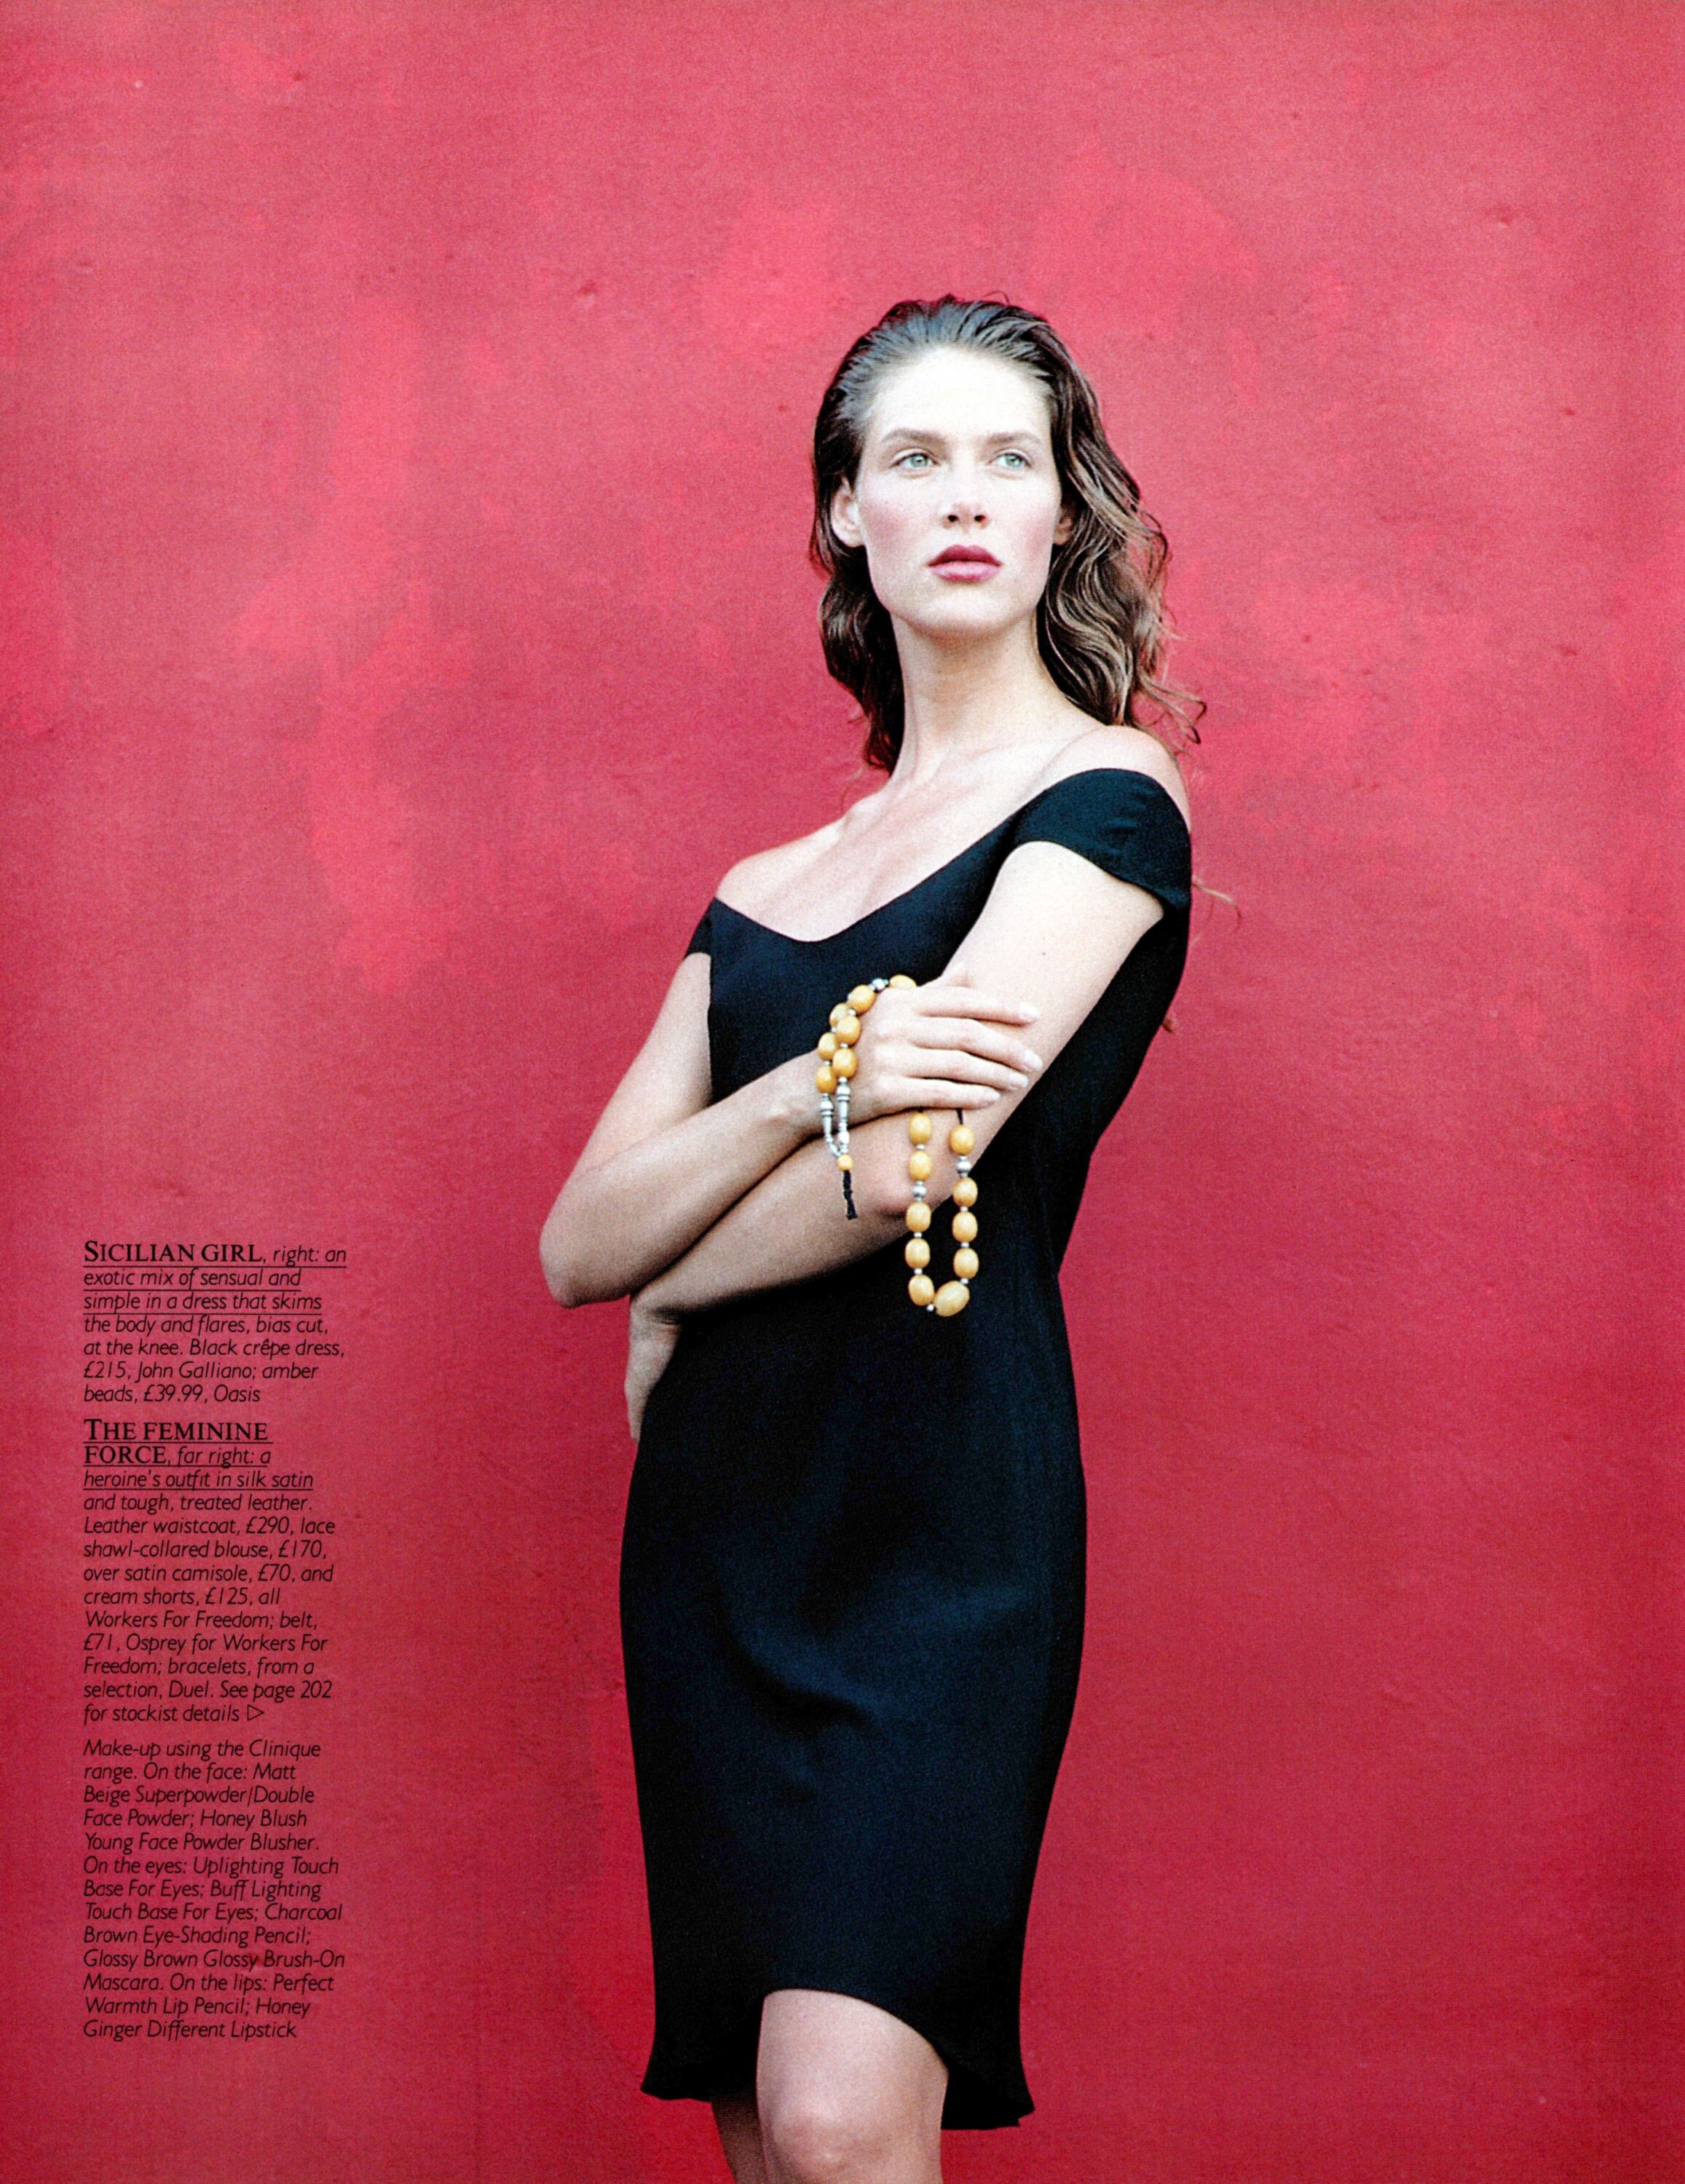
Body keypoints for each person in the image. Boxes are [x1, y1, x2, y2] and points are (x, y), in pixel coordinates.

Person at [541, 296, 1202, 2184]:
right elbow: (574, 1238)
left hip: (937, 1526)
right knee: (766, 2135)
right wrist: (797, 1093)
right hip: (717, 1536)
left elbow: (917, 1167)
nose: (966, 497)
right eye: (915, 458)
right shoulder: (765, 889)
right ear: (846, 511)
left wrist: (678, 1273)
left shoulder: (1104, 800)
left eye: (1011, 458)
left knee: (842, 2129)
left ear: (1065, 510)